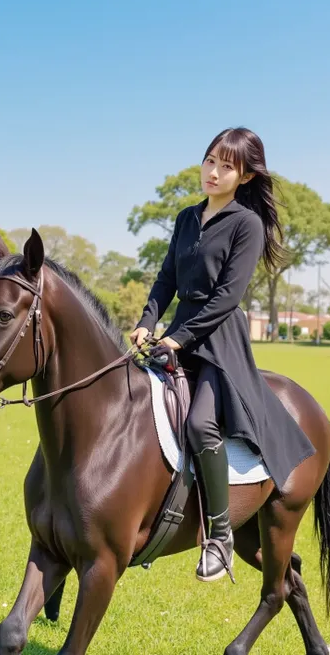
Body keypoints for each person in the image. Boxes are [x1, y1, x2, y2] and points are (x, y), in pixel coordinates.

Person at [130, 127, 315, 583]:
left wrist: (179, 338)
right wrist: (147, 322)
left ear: (246, 176)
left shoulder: (246, 225)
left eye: (226, 166)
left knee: (199, 423)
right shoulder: (186, 218)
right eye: (210, 160)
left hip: (218, 344)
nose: (213, 171)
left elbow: (227, 298)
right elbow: (165, 279)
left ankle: (218, 536)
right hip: (177, 334)